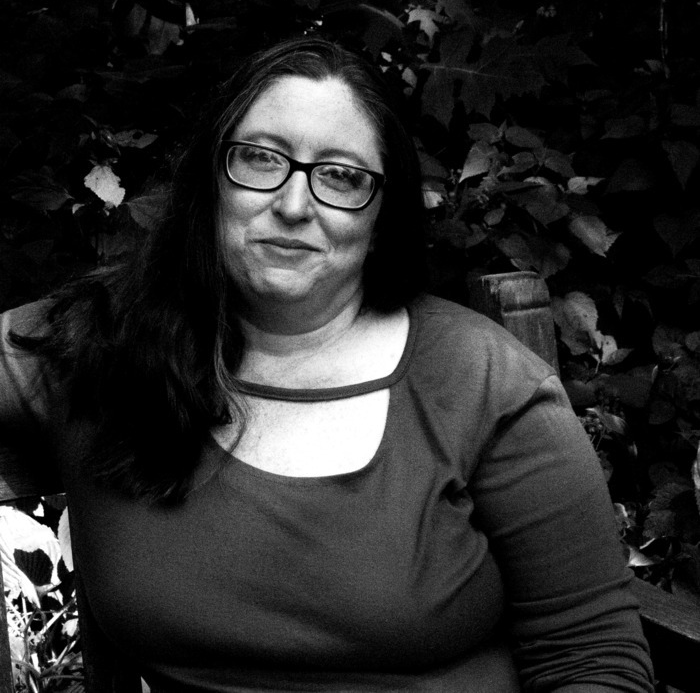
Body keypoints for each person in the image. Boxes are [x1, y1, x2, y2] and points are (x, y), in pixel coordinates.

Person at [0, 37, 654, 692]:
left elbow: (592, 657)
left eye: (341, 175)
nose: (293, 205)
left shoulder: (485, 386)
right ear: (211, 180)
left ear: (383, 214)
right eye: (260, 158)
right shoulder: (101, 346)